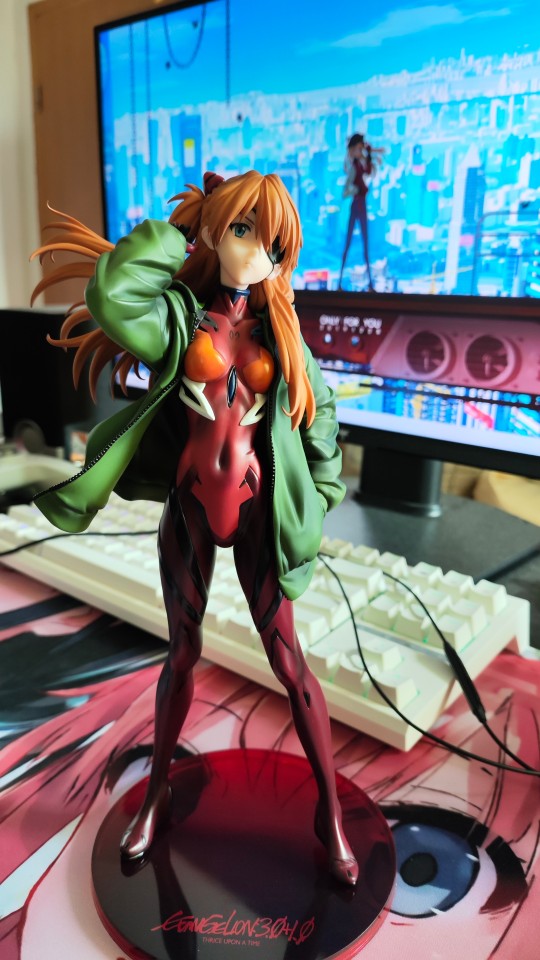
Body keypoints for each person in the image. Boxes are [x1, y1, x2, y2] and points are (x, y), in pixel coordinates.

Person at [30, 170, 358, 885]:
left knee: (289, 663)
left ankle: (330, 813)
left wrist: (321, 490)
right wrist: (183, 231)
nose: (256, 253)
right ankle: (157, 796)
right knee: (181, 654)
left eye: (272, 246)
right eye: (242, 230)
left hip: (259, 514)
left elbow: (322, 411)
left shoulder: (280, 334)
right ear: (214, 229)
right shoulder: (179, 320)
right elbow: (114, 297)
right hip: (190, 507)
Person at [339, 133, 383, 290]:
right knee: (349, 243)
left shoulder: (364, 165)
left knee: (365, 244)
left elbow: (371, 170)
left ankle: (370, 284)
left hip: (362, 205)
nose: (361, 151)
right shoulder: (354, 167)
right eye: (359, 148)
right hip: (357, 205)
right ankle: (339, 283)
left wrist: (372, 154)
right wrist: (356, 190)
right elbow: (345, 191)